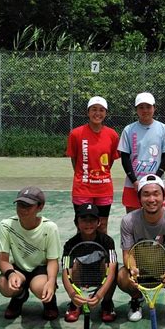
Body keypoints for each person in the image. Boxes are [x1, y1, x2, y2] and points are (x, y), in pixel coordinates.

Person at [118, 174, 165, 322]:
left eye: (156, 194)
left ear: (163, 197)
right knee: (122, 276)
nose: (151, 199)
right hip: (141, 272)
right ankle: (137, 299)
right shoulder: (128, 221)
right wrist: (132, 268)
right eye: (146, 194)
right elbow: (128, 253)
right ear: (139, 198)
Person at [0, 186, 61, 321]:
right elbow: (3, 260)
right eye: (20, 205)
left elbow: (52, 261)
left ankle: (49, 302)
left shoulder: (50, 227)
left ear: (40, 207)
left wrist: (51, 281)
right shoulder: (6, 225)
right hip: (19, 268)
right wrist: (11, 274)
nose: (23, 210)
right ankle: (19, 297)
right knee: (4, 284)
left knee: (41, 287)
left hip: (41, 270)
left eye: (28, 206)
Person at [66, 96, 120, 234]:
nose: (98, 113)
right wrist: (83, 175)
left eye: (101, 110)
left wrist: (101, 175)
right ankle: (81, 255)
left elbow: (110, 160)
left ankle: (102, 255)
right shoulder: (76, 134)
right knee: (82, 227)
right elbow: (74, 159)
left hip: (104, 188)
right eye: (94, 109)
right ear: (88, 112)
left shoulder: (112, 135)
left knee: (102, 226)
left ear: (106, 113)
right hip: (82, 188)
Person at [62, 203, 118, 324]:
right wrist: (72, 294)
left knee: (112, 266)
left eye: (92, 220)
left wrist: (100, 294)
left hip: (101, 275)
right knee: (74, 265)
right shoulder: (70, 244)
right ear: (76, 223)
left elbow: (112, 270)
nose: (88, 224)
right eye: (84, 220)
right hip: (81, 277)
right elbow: (66, 271)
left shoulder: (107, 241)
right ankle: (75, 304)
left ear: (98, 222)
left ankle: (107, 303)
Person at [118, 92, 165, 212]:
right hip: (133, 184)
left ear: (154, 108)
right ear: (136, 110)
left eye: (148, 107)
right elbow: (125, 158)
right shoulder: (128, 130)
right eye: (141, 107)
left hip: (157, 183)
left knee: (157, 223)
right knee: (132, 222)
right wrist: (134, 181)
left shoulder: (163, 129)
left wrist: (155, 179)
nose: (145, 110)